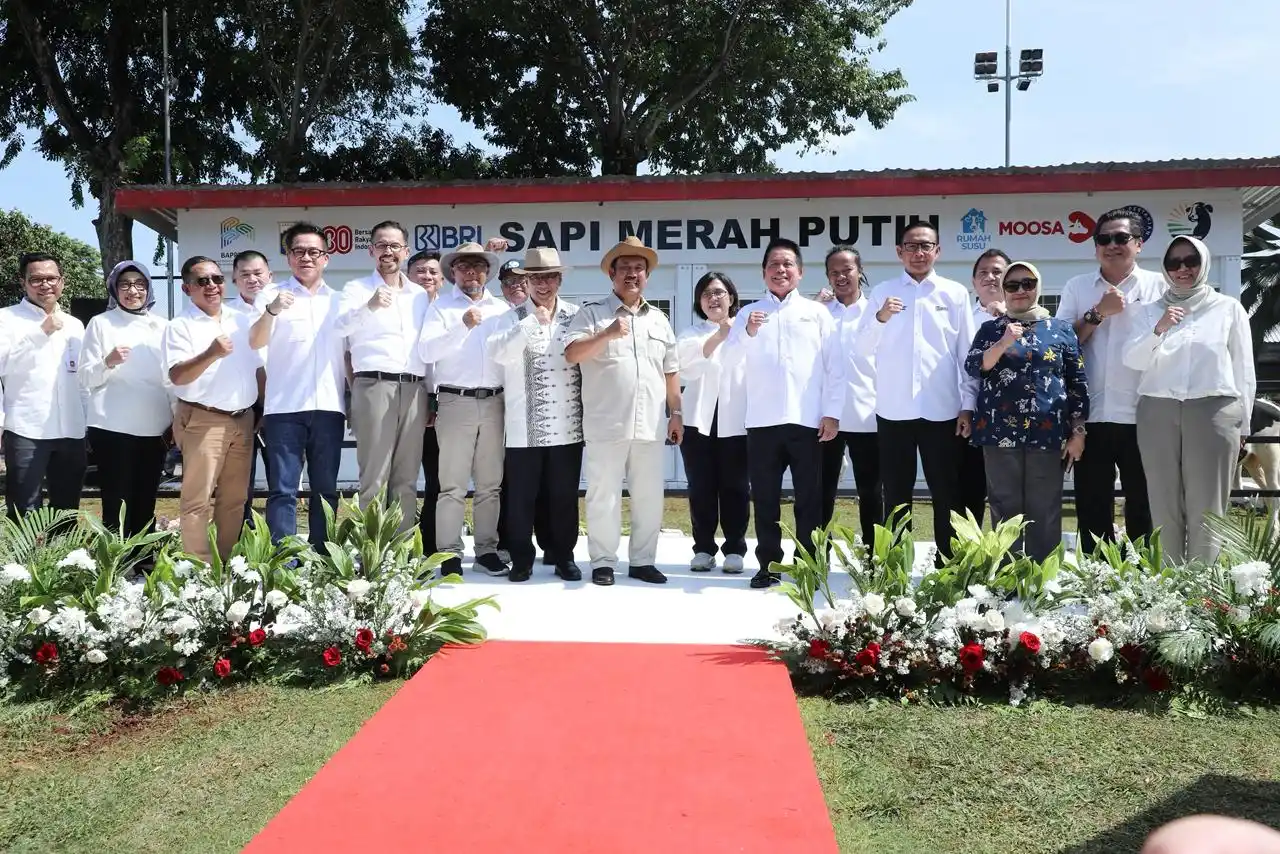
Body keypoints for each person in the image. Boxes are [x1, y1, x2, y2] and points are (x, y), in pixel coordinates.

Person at [1124, 236, 1255, 565]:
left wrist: (1244, 425)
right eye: (1174, 263)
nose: (1182, 269)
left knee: (1207, 507)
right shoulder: (1149, 310)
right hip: (1157, 410)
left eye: (1190, 261)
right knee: (1163, 503)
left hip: (1213, 410)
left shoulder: (1227, 308)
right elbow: (1133, 360)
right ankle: (1169, 593)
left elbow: (1244, 368)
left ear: (1204, 264)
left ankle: (1204, 592)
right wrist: (1160, 327)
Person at [721, 237, 843, 589]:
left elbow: (835, 367)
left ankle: (808, 566)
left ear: (800, 273)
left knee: (809, 499)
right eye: (774, 264)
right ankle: (768, 565)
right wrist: (747, 332)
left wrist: (832, 413)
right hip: (762, 423)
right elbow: (729, 361)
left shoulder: (817, 312)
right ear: (763, 273)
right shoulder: (748, 313)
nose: (781, 270)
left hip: (808, 422)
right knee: (766, 498)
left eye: (787, 264)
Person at [855, 220, 977, 560]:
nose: (919, 252)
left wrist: (968, 405)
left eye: (926, 245)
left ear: (937, 250)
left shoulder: (953, 294)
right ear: (899, 251)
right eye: (911, 246)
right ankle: (896, 566)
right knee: (895, 494)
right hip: (894, 412)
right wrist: (880, 317)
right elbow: (862, 348)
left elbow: (966, 354)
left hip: (943, 411)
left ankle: (949, 567)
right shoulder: (883, 292)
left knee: (947, 493)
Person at [564, 236, 682, 587]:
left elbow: (671, 371)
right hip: (606, 422)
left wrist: (676, 414)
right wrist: (607, 334)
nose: (633, 274)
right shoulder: (592, 314)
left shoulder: (659, 320)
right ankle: (602, 561)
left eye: (639, 268)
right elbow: (572, 354)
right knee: (603, 494)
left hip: (649, 423)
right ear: (611, 274)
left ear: (647, 275)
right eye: (625, 268)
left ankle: (643, 561)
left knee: (649, 495)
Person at [1056, 209, 1164, 553]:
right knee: (1092, 507)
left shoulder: (1160, 287)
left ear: (1139, 244)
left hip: (1144, 414)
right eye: (1104, 239)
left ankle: (1145, 584)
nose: (1112, 245)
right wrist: (1097, 313)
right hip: (1092, 417)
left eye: (1121, 238)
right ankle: (1097, 585)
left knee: (1145, 506)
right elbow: (1059, 345)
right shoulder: (1077, 287)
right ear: (1095, 246)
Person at [965, 262, 1088, 560]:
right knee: (1004, 506)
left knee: (1045, 506)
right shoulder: (990, 328)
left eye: (1027, 283)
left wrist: (1079, 433)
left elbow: (1077, 383)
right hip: (999, 434)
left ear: (1038, 287)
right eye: (1012, 285)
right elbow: (975, 366)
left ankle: (1042, 580)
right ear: (1004, 290)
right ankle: (1007, 579)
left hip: (1048, 433)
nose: (1020, 290)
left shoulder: (1060, 330)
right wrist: (1004, 341)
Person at [487, 247, 584, 582]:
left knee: (564, 495)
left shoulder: (576, 314)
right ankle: (522, 559)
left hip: (569, 424)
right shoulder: (511, 317)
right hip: (523, 425)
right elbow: (497, 353)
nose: (544, 285)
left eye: (550, 277)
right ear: (526, 281)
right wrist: (530, 322)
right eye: (537, 278)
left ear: (559, 279)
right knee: (521, 498)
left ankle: (563, 556)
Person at [250, 222, 348, 551]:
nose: (306, 257)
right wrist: (271, 310)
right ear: (288, 257)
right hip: (284, 410)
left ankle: (324, 558)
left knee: (326, 490)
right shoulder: (270, 295)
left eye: (314, 252)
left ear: (326, 258)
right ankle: (285, 561)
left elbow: (350, 356)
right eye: (298, 251)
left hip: (329, 407)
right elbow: (255, 341)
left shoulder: (339, 301)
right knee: (282, 489)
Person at [417, 241, 511, 576]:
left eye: (478, 265)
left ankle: (487, 550)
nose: (471, 271)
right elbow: (427, 352)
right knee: (452, 484)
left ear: (488, 272)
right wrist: (462, 324)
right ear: (452, 271)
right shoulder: (441, 307)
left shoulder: (502, 309)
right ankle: (449, 553)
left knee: (490, 484)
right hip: (455, 401)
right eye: (463, 265)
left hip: (495, 401)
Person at [161, 256, 264, 561]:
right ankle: (199, 569)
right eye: (202, 281)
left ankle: (227, 563)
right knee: (197, 500)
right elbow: (177, 375)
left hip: (243, 420)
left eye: (217, 279)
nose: (211, 286)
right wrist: (211, 353)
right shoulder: (179, 326)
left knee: (235, 499)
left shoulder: (241, 320)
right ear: (186, 288)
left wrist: (264, 408)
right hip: (204, 419)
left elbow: (258, 369)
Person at [336, 222, 430, 535]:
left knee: (406, 477)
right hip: (374, 385)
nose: (387, 251)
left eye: (394, 246)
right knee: (374, 476)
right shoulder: (357, 289)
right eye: (381, 245)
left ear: (405, 252)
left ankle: (399, 552)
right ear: (371, 250)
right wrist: (370, 305)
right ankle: (371, 551)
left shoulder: (420, 295)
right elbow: (340, 329)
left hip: (415, 388)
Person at [79, 260, 172, 537]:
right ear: (114, 289)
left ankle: (143, 558)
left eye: (140, 284)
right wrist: (107, 361)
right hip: (112, 427)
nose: (133, 290)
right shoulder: (101, 323)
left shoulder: (164, 326)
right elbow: (85, 377)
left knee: (146, 496)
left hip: (155, 427)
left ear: (148, 288)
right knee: (115, 498)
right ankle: (115, 564)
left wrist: (177, 418)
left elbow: (172, 379)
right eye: (125, 284)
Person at [0, 252, 87, 518]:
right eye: (36, 279)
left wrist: (88, 422)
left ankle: (64, 560)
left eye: (51, 278)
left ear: (62, 281)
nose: (45, 284)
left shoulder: (74, 324)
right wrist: (41, 333)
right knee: (25, 508)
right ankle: (24, 561)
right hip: (26, 428)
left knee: (67, 509)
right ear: (23, 282)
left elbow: (82, 378)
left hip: (71, 429)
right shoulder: (6, 318)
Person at [676, 271, 749, 573]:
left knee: (736, 487)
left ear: (732, 297)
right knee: (701, 487)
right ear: (699, 302)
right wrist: (720, 334)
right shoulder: (690, 333)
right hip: (698, 423)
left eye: (719, 292)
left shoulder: (748, 331)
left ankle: (735, 548)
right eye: (706, 294)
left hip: (738, 421)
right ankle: (703, 548)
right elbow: (686, 368)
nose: (713, 298)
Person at [818, 245, 883, 544]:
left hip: (866, 415)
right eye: (834, 272)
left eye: (847, 270)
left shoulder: (875, 313)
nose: (841, 276)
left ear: (860, 271)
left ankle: (874, 559)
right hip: (825, 417)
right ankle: (818, 557)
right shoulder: (819, 313)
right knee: (821, 490)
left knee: (871, 491)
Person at [960, 248, 1012, 527]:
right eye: (984, 272)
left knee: (1007, 497)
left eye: (998, 272)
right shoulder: (962, 318)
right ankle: (972, 564)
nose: (990, 277)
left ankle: (1009, 562)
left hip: (1013, 420)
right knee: (970, 493)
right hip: (972, 418)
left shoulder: (1029, 319)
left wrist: (1005, 317)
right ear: (973, 281)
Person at [229, 249, 273, 526]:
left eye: (258, 273)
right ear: (234, 279)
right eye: (244, 274)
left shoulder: (288, 309)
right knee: (238, 485)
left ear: (270, 275)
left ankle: (282, 548)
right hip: (241, 409)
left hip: (281, 409)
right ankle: (240, 549)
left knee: (283, 483)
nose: (252, 279)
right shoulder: (225, 315)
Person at [407, 249, 443, 554]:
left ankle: (431, 546)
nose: (427, 277)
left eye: (433, 271)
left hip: (442, 408)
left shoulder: (451, 309)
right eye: (420, 271)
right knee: (399, 480)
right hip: (405, 402)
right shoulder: (401, 310)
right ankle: (398, 544)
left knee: (438, 481)